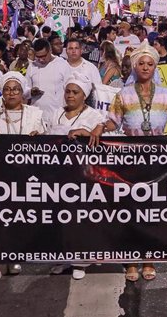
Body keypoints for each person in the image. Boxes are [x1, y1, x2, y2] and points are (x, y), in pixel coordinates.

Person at [91, 41, 167, 282]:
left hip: (157, 163)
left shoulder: (166, 95)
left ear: (155, 67)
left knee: (152, 212)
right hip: (130, 162)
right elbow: (114, 121)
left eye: (150, 64)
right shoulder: (124, 94)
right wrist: (102, 125)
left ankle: (149, 259)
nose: (145, 67)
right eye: (141, 63)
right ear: (135, 67)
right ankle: (132, 260)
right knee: (130, 211)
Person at [47, 72, 105, 280]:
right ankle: (61, 258)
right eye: (68, 91)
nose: (70, 96)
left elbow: (100, 139)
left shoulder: (95, 117)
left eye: (75, 92)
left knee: (80, 217)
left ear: (84, 95)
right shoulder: (55, 114)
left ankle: (80, 260)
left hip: (83, 177)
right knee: (59, 217)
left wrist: (89, 133)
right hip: (58, 174)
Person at [27, 39, 73, 124]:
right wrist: (31, 92)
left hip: (57, 117)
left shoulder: (62, 64)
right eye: (38, 57)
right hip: (36, 117)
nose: (41, 60)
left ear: (50, 50)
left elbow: (70, 89)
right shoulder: (32, 66)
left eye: (43, 56)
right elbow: (25, 92)